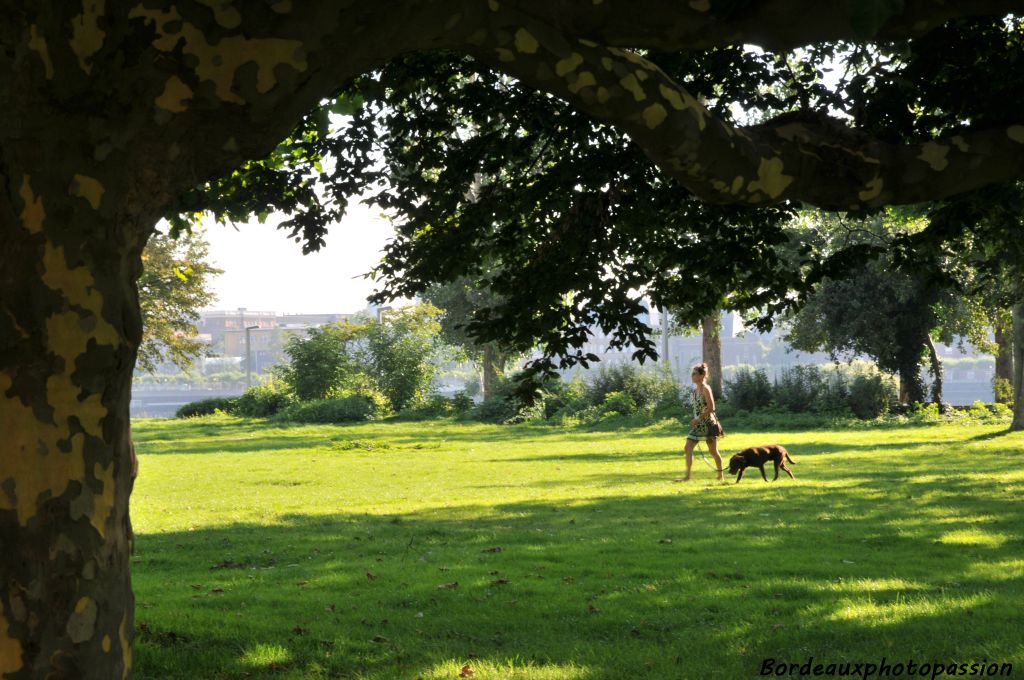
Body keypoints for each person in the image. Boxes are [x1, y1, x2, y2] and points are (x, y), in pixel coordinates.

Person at [678, 362, 723, 482]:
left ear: (702, 376)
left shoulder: (706, 389)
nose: (692, 376)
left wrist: (698, 418)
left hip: (708, 424)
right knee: (688, 447)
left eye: (694, 374)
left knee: (713, 451)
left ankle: (720, 476)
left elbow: (711, 407)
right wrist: (695, 419)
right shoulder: (695, 391)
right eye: (692, 374)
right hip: (698, 425)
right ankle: (687, 476)